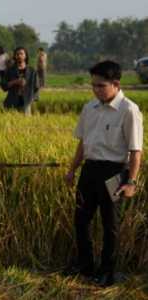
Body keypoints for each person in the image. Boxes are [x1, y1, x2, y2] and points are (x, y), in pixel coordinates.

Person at [65, 61, 143, 287]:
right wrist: (72, 170)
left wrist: (131, 182)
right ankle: (85, 266)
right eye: (93, 86)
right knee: (81, 220)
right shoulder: (90, 108)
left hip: (114, 172)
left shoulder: (129, 110)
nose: (96, 90)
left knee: (110, 224)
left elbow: (136, 151)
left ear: (116, 84)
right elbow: (82, 143)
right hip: (89, 170)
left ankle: (108, 271)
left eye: (101, 86)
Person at [1, 47, 39, 115]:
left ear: (26, 56)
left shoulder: (32, 71)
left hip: (26, 102)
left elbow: (36, 87)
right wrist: (15, 82)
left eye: (21, 54)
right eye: (17, 54)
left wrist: (32, 100)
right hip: (12, 101)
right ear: (15, 56)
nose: (19, 56)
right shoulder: (10, 70)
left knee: (26, 123)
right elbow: (3, 86)